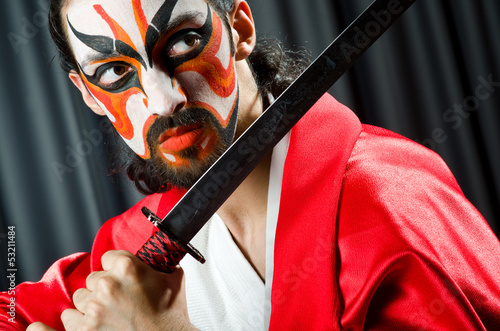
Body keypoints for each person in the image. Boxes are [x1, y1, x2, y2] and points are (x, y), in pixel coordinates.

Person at [1, 0, 500, 329]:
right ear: (88, 96)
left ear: (239, 27)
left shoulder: (390, 205)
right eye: (113, 71)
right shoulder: (132, 248)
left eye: (180, 43)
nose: (163, 99)